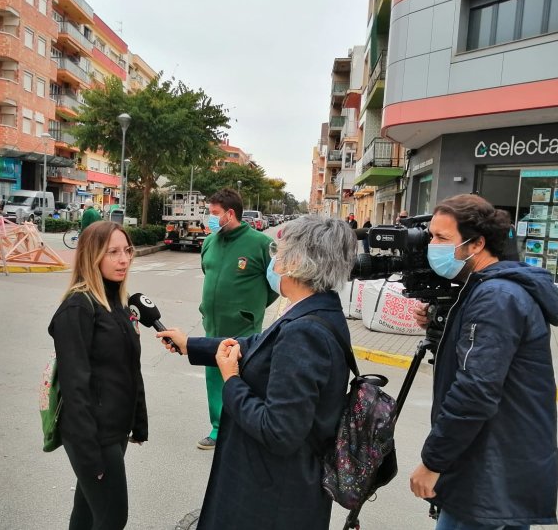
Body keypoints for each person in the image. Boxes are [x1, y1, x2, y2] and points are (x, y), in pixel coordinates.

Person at [158, 215, 356, 530]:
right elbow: (256, 346)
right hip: (280, 488)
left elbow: (279, 431)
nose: (273, 259)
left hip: (271, 498)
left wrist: (231, 380)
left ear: (297, 262)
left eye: (279, 252)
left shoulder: (305, 332)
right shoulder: (316, 310)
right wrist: (191, 345)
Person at [409, 194, 558, 529]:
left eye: (442, 238)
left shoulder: (496, 298)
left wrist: (433, 462)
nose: (431, 245)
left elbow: (475, 390)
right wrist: (441, 324)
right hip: (489, 471)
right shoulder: (484, 288)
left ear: (476, 243)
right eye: (431, 235)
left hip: (490, 477)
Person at [48, 221, 147, 530]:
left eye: (127, 250)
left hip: (115, 430)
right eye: (112, 252)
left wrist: (138, 421)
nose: (123, 259)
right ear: (92, 257)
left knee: (89, 512)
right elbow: (75, 387)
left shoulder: (118, 304)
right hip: (91, 435)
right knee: (112, 518)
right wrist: (90, 455)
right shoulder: (77, 308)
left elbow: (131, 369)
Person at [197, 188, 277, 449]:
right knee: (213, 377)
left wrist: (252, 309)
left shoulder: (260, 243)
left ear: (230, 214)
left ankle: (245, 427)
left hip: (243, 326)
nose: (209, 219)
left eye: (214, 214)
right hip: (213, 323)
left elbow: (275, 283)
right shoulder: (210, 242)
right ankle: (218, 427)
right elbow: (208, 274)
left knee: (241, 376)